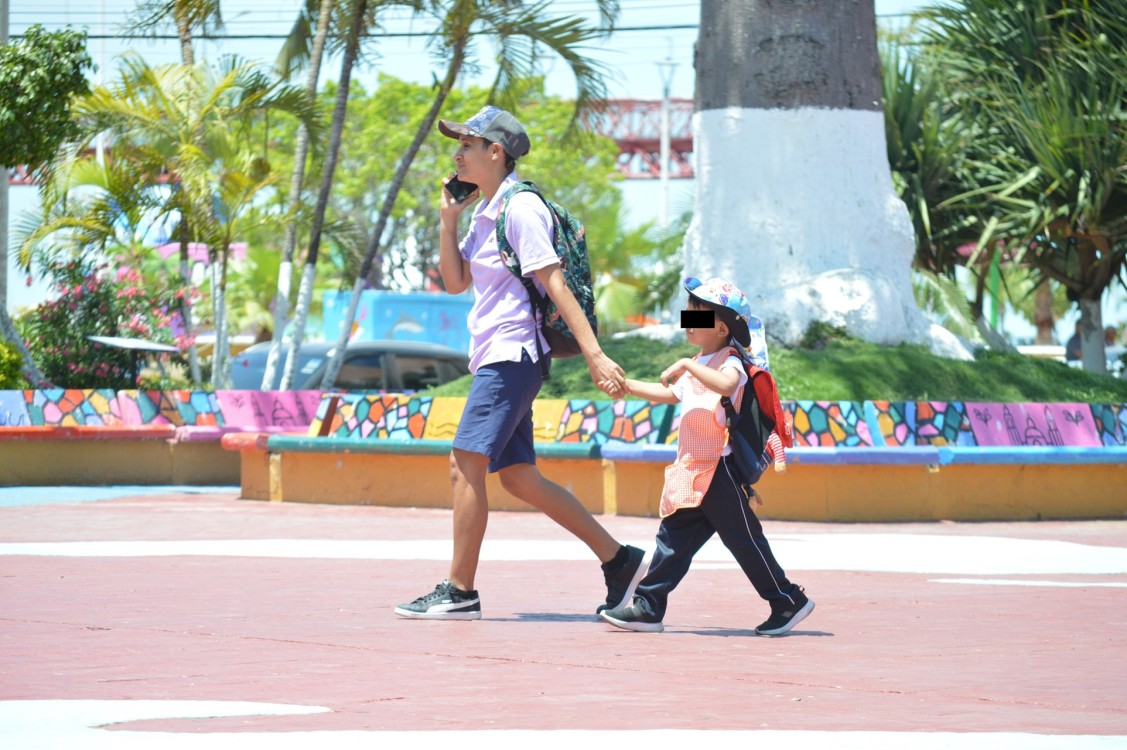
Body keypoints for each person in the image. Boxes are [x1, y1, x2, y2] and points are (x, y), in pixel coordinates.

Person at [395, 105, 647, 620]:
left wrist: (595, 355)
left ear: (496, 152)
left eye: (468, 144)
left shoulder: (520, 209)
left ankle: (460, 590)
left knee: (465, 463)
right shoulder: (487, 213)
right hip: (496, 353)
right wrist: (448, 220)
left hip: (513, 353)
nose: (458, 152)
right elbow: (456, 281)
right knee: (518, 478)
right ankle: (620, 562)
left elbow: (553, 282)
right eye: (458, 144)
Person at [599, 277, 814, 635]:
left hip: (719, 471)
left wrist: (686, 364)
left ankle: (787, 600)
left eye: (694, 314)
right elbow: (669, 393)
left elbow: (728, 385)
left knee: (744, 542)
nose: (687, 319)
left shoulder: (730, 361)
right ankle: (649, 606)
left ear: (720, 325)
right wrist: (627, 386)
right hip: (694, 470)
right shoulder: (702, 360)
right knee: (672, 541)